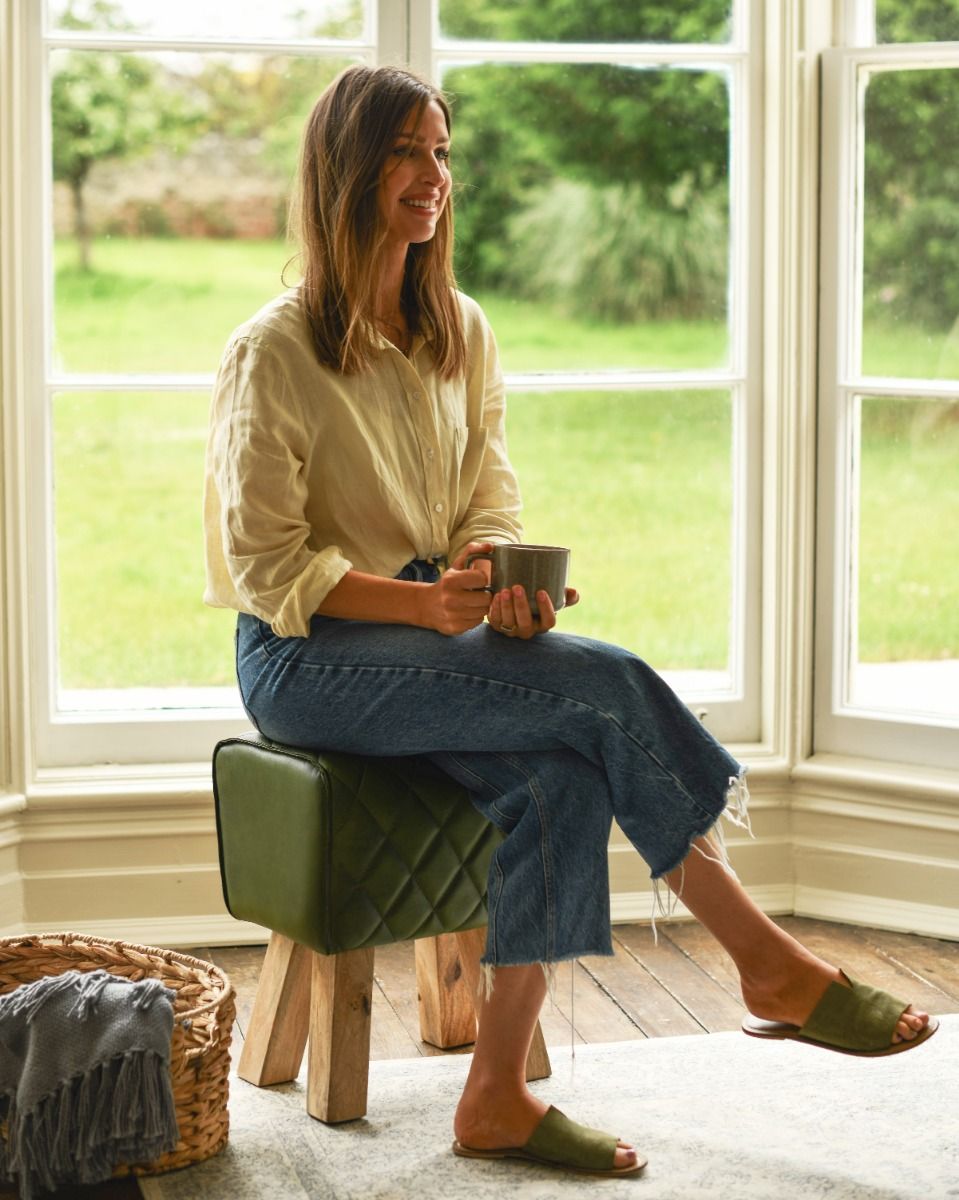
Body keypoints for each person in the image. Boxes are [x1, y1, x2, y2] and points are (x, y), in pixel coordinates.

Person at [204, 64, 937, 1178]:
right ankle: (766, 961)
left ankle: (495, 1095)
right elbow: (265, 566)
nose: (432, 175)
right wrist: (423, 603)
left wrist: (496, 579)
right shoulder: (274, 349)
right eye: (404, 151)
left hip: (432, 633)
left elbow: (486, 503)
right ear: (347, 171)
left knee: (562, 779)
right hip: (308, 656)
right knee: (603, 683)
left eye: (441, 152)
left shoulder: (460, 330)